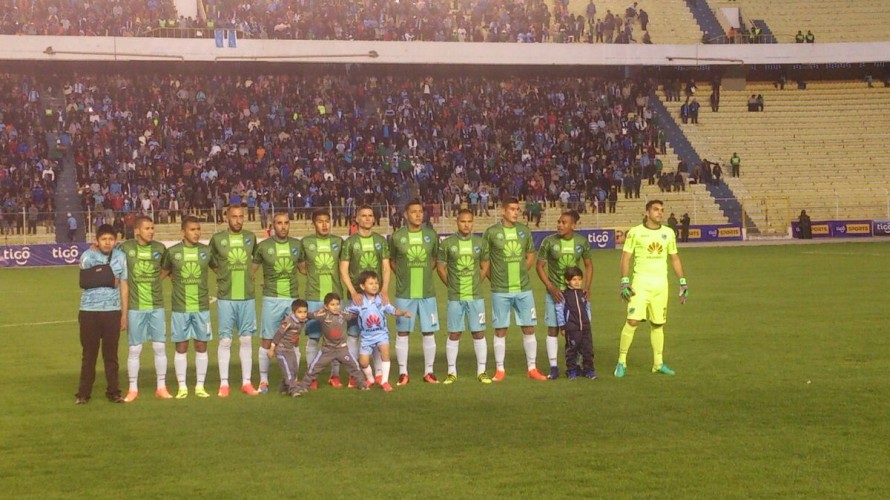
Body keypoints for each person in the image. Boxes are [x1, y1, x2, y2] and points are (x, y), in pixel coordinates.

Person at [614, 200, 688, 378]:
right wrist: (625, 281)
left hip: (661, 285)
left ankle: (658, 364)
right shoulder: (635, 233)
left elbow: (675, 258)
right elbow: (625, 258)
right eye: (656, 210)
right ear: (647, 212)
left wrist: (683, 282)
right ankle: (621, 362)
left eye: (662, 210)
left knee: (658, 324)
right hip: (640, 284)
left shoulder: (668, 233)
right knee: (632, 321)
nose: (660, 213)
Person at [483, 197, 547, 381]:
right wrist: (494, 278)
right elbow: (485, 261)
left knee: (528, 328)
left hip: (523, 289)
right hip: (500, 290)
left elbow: (530, 255)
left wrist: (520, 272)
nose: (516, 212)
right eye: (512, 209)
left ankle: (532, 368)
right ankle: (500, 369)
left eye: (517, 209)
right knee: (500, 329)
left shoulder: (524, 231)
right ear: (503, 210)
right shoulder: (491, 232)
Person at [535, 210, 593, 379]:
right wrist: (551, 287)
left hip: (574, 296)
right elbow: (539, 266)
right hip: (555, 294)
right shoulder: (549, 241)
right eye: (558, 221)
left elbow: (588, 265)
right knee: (553, 329)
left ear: (573, 225)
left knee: (578, 330)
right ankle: (553, 367)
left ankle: (578, 366)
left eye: (564, 222)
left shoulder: (581, 242)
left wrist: (587, 286)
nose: (559, 225)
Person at [119, 216, 171, 402]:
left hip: (156, 306)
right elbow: (112, 262)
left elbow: (167, 268)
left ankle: (161, 386)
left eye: (152, 228)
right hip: (135, 307)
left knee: (159, 347)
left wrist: (158, 279)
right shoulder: (126, 248)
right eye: (147, 228)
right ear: (137, 231)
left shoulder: (159, 248)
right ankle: (133, 388)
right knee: (135, 349)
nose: (151, 231)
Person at [436, 209, 492, 384]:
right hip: (455, 297)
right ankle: (452, 372)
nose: (466, 224)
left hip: (475, 296)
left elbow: (484, 267)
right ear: (457, 222)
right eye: (463, 221)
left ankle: (482, 371)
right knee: (454, 333)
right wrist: (451, 285)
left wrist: (476, 282)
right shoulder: (447, 244)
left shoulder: (480, 242)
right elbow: (441, 268)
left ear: (473, 222)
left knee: (479, 332)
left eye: (469, 221)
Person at [161, 216, 214, 399]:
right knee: (181, 346)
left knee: (201, 345)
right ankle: (182, 387)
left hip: (201, 307)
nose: (196, 232)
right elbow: (163, 273)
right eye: (192, 229)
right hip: (180, 307)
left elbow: (220, 270)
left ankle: (200, 386)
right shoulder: (173, 252)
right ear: (183, 231)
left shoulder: (206, 251)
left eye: (198, 229)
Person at [209, 205, 259, 397]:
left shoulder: (250, 237)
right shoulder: (218, 239)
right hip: (226, 297)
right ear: (226, 217)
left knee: (246, 339)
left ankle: (246, 382)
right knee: (225, 340)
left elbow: (257, 258)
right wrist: (221, 273)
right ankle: (224, 384)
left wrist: (251, 273)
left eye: (241, 217)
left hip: (247, 296)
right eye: (234, 217)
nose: (238, 220)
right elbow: (210, 259)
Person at [75, 224, 128, 404]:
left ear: (115, 241)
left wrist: (124, 314)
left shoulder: (121, 257)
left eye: (111, 239)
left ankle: (113, 391)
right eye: (104, 239)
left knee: (111, 354)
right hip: (89, 311)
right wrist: (108, 279)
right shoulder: (88, 256)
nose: (107, 243)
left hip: (112, 311)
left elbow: (124, 285)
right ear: (96, 241)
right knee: (89, 354)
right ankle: (83, 393)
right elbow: (84, 281)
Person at [339, 204, 391, 387]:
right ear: (357, 219)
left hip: (375, 297)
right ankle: (355, 374)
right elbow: (343, 270)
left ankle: (378, 374)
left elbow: (386, 267)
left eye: (370, 215)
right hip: (356, 298)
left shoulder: (380, 240)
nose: (368, 218)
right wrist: (353, 292)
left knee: (376, 332)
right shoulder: (350, 242)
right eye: (364, 215)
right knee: (353, 335)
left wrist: (383, 290)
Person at [390, 200, 440, 384]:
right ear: (405, 215)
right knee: (403, 332)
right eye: (414, 212)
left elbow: (435, 259)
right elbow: (393, 261)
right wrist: (403, 275)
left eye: (420, 211)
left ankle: (429, 372)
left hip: (427, 293)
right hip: (405, 293)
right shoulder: (397, 237)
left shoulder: (431, 236)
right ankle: (403, 373)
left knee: (428, 332)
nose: (418, 215)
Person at [252, 212, 302, 393]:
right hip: (271, 299)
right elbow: (252, 271)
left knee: (293, 341)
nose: (283, 226)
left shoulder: (297, 245)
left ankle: (292, 379)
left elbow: (304, 268)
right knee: (266, 340)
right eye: (279, 223)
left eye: (286, 223)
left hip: (292, 300)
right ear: (272, 225)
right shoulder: (263, 246)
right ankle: (264, 381)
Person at [299, 209, 345, 388]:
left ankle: (335, 375)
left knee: (336, 340)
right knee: (313, 338)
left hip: (334, 299)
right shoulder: (306, 242)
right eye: (320, 221)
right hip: (313, 296)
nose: (325, 224)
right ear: (313, 223)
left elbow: (343, 267)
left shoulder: (338, 242)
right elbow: (302, 267)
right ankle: (313, 377)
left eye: (327, 221)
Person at [345, 271, 412, 392]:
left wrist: (403, 313)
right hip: (366, 337)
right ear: (362, 286)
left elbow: (392, 310)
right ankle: (370, 379)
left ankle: (384, 381)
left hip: (381, 334)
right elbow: (347, 313)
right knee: (363, 362)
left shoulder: (381, 300)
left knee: (385, 353)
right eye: (371, 283)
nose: (375, 285)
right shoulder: (359, 302)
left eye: (376, 283)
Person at [291, 293, 369, 396]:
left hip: (342, 349)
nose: (336, 307)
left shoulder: (343, 314)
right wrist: (298, 315)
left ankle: (362, 384)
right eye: (332, 304)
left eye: (337, 304)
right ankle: (304, 386)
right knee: (314, 368)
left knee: (354, 366)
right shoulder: (322, 315)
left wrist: (364, 310)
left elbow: (355, 315)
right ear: (326, 306)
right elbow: (309, 315)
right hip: (327, 350)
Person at [268, 299, 310, 395]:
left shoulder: (302, 320)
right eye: (299, 312)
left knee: (294, 369)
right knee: (288, 370)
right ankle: (293, 390)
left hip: (290, 349)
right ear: (293, 312)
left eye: (305, 312)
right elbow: (278, 334)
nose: (303, 314)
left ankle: (283, 388)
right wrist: (271, 349)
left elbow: (311, 316)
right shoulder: (288, 322)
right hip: (282, 350)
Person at [562, 267, 596, 379]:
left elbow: (587, 308)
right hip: (572, 328)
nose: (577, 282)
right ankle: (571, 370)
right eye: (574, 279)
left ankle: (589, 370)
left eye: (579, 279)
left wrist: (588, 322)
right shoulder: (564, 295)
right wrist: (563, 325)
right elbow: (560, 311)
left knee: (588, 349)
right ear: (567, 281)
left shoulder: (583, 293)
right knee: (572, 349)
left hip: (585, 327)